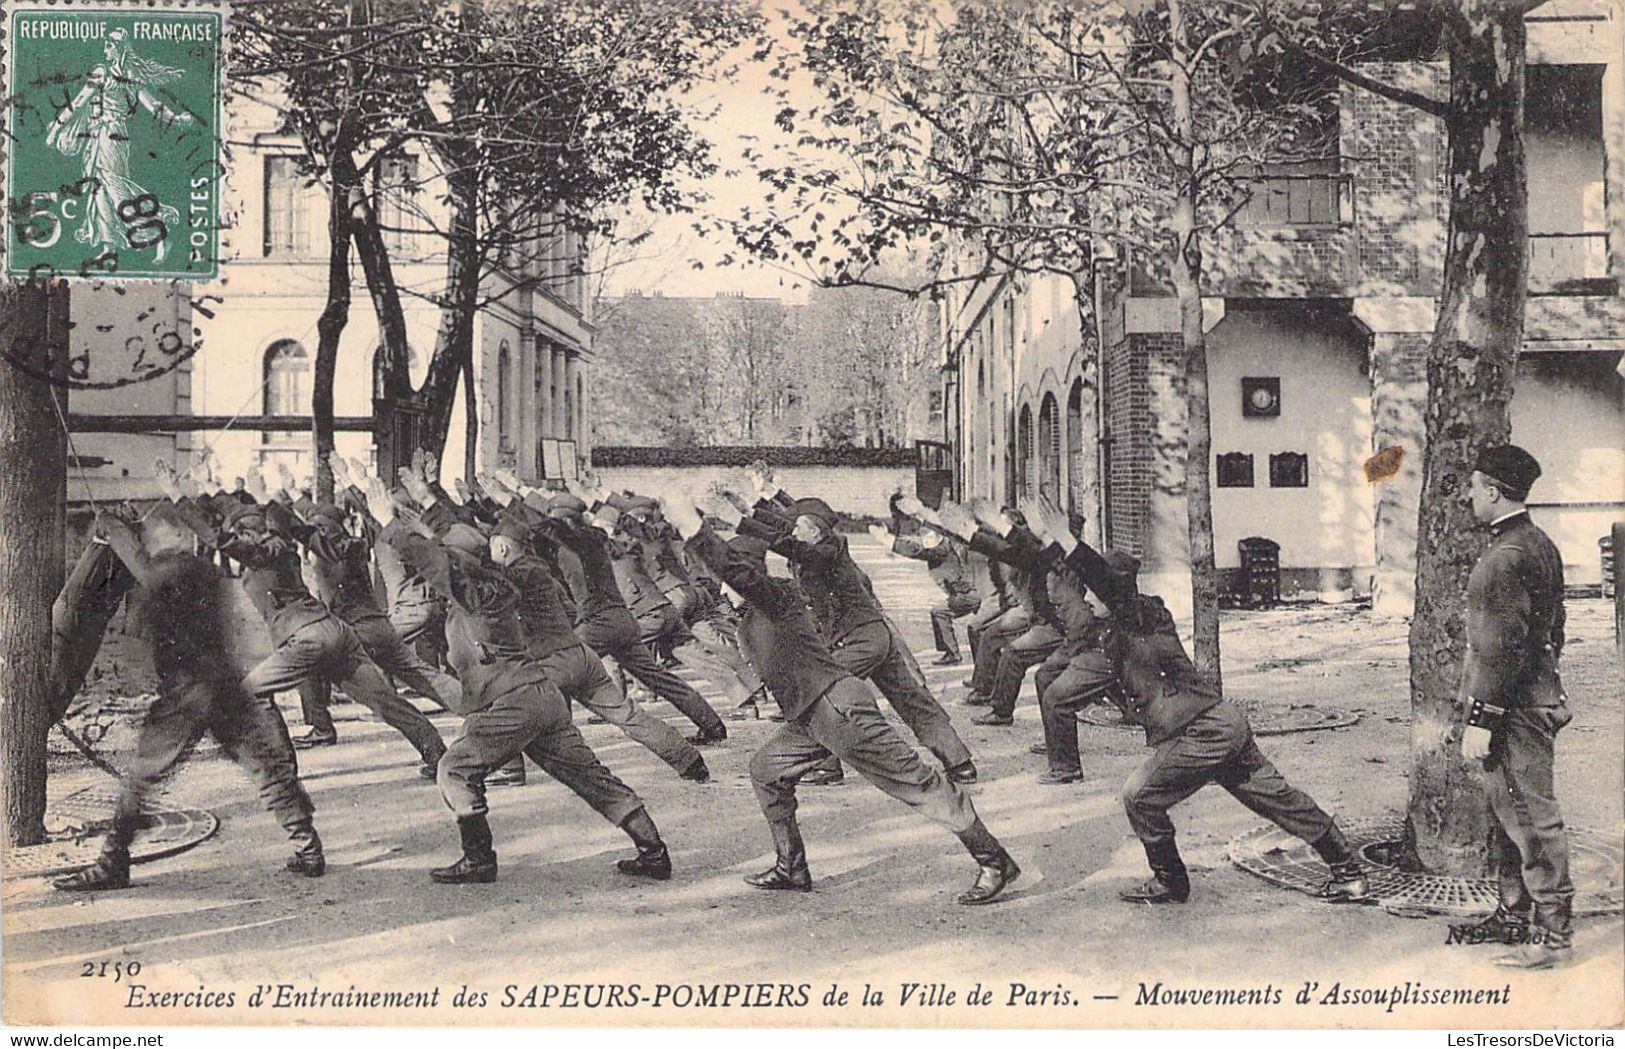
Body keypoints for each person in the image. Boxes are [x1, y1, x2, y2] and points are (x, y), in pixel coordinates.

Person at [659, 489, 1019, 906]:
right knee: (765, 770)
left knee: (916, 783)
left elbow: (739, 571)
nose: (718, 586)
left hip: (839, 710)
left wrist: (695, 528)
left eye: (725, 575)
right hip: (815, 715)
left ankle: (994, 860)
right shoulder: (757, 608)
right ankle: (791, 866)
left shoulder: (777, 598)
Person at [1019, 497, 1369, 906]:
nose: (1086, 597)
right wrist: (1043, 539)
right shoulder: (1112, 629)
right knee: (1278, 800)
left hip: (1200, 731)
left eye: (1093, 591)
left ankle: (1170, 882)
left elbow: (1104, 584)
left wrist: (1066, 538)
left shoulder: (1143, 614)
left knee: (1140, 796)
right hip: (1221, 724)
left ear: (1113, 591)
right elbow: (1063, 588)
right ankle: (1349, 873)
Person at [367, 465, 672, 885]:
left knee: (454, 769)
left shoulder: (481, 595)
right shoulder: (494, 582)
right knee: (590, 777)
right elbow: (448, 547)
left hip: (514, 702)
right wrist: (422, 503)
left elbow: (439, 562)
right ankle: (653, 850)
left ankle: (478, 859)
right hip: (540, 699)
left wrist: (389, 524)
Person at [53, 508, 323, 891]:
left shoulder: (160, 576)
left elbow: (138, 640)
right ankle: (308, 847)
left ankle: (112, 862)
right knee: (266, 766)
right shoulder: (207, 573)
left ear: (166, 537)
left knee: (140, 779)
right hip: (226, 685)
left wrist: (113, 530)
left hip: (185, 692)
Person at [155, 462, 447, 779]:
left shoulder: (262, 550)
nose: (235, 536)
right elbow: (257, 517)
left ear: (247, 533)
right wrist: (216, 490)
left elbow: (216, 539)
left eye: (239, 532)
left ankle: (283, 771)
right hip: (336, 633)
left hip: (307, 638)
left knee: (252, 692)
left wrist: (176, 495)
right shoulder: (279, 543)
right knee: (386, 703)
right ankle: (439, 755)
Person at [731, 475, 976, 786]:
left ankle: (827, 768)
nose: (791, 533)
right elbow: (792, 521)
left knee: (823, 697)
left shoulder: (827, 549)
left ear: (815, 531)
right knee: (911, 699)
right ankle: (959, 762)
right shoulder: (821, 539)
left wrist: (753, 523)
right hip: (875, 637)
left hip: (857, 640)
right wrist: (751, 512)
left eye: (797, 530)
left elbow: (794, 545)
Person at [1457, 444, 1574, 969]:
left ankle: (1552, 937)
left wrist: (1484, 717)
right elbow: (1555, 629)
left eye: (1475, 486)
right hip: (1531, 699)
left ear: (1493, 492)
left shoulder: (1505, 556)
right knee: (1510, 811)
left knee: (1530, 817)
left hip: (1513, 710)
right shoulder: (1538, 544)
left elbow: (1502, 645)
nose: (1469, 495)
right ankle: (1515, 912)